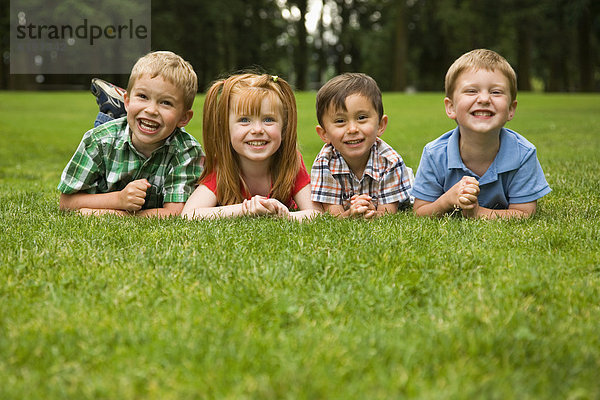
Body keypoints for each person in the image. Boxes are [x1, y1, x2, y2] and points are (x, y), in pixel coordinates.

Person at [57, 51, 205, 217]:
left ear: (184, 118)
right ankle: (112, 113)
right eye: (142, 96)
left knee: (130, 124)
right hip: (116, 134)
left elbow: (174, 213)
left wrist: (119, 215)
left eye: (166, 103)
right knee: (110, 132)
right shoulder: (98, 140)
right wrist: (119, 200)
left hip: (129, 127)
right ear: (127, 100)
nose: (151, 110)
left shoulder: (187, 151)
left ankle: (114, 110)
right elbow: (66, 202)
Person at [412, 49, 551, 219]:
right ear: (451, 107)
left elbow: (524, 213)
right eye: (471, 91)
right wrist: (447, 200)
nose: (484, 99)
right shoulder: (435, 154)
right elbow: (420, 212)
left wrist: (478, 213)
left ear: (510, 110)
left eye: (496, 92)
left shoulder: (523, 154)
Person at [181, 73, 321, 221]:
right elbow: (190, 215)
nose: (257, 130)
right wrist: (245, 208)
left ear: (284, 127)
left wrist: (285, 216)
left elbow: (316, 213)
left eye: (268, 119)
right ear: (225, 128)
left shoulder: (290, 162)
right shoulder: (222, 167)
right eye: (244, 120)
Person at [310, 72, 413, 218]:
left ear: (380, 125)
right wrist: (352, 214)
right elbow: (334, 215)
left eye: (362, 118)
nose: (352, 129)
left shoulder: (390, 161)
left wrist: (372, 212)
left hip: (401, 187)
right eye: (340, 121)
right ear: (324, 133)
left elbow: (388, 214)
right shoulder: (324, 163)